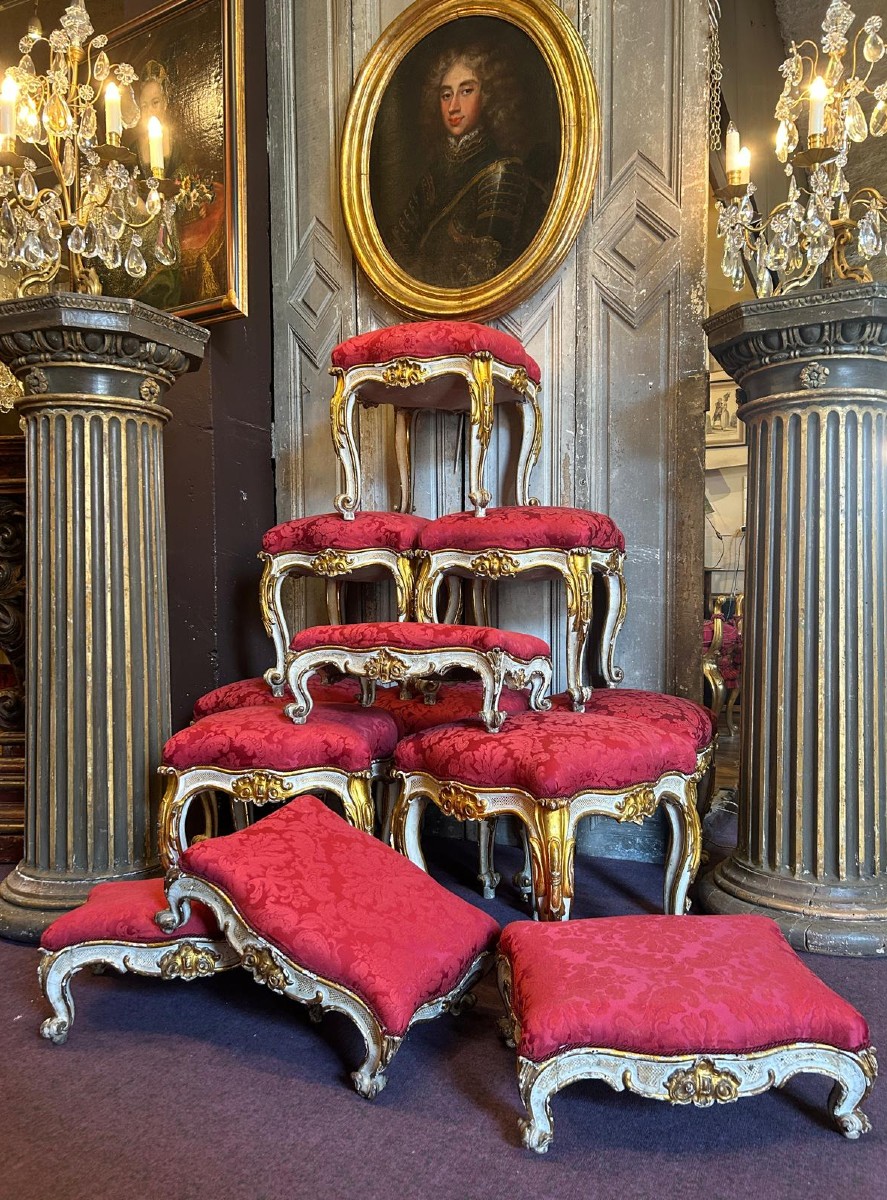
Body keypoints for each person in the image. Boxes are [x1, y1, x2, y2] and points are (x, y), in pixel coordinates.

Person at [389, 43, 548, 288]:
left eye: (466, 91)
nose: (453, 106)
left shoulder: (501, 173)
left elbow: (483, 270)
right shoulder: (434, 173)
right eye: (446, 95)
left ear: (489, 96)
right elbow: (399, 251)